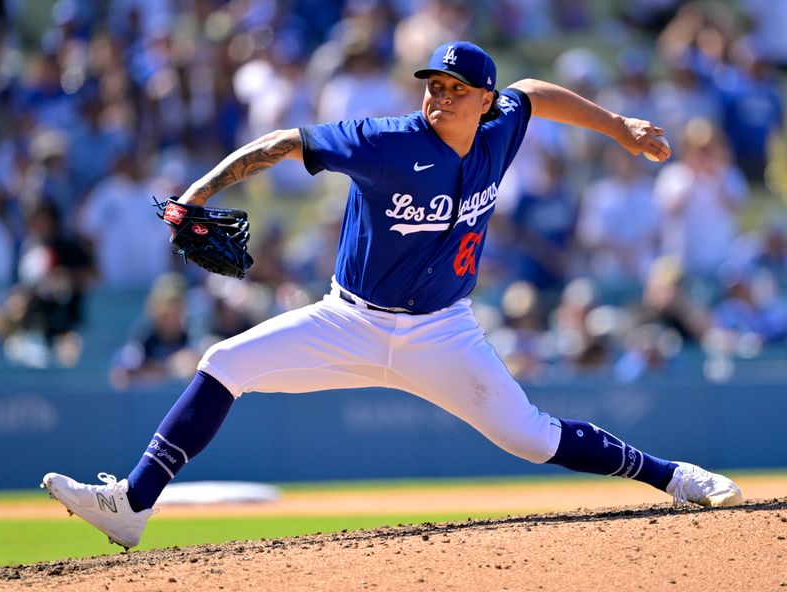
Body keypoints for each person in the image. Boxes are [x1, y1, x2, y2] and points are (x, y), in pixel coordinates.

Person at [42, 41, 742, 551]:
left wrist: (619, 126)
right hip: (346, 320)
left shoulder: (503, 127)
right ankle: (132, 502)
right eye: (432, 85)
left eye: (455, 89)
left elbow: (536, 90)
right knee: (225, 360)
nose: (438, 97)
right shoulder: (384, 141)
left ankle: (677, 477)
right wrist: (196, 195)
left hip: (443, 332)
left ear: (485, 102)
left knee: (532, 438)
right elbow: (283, 143)